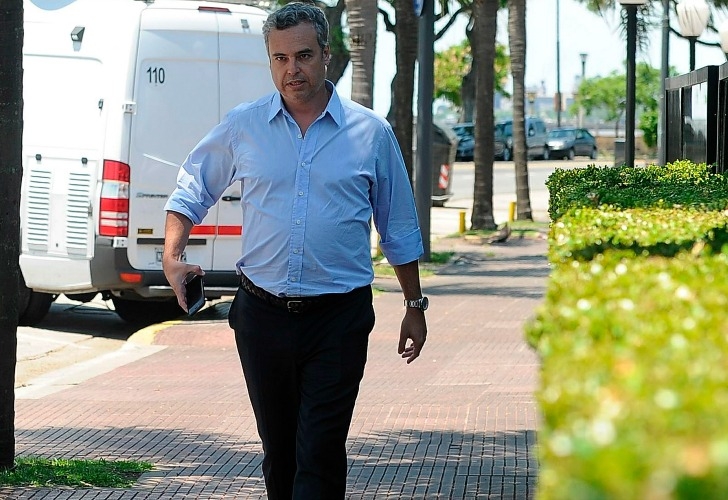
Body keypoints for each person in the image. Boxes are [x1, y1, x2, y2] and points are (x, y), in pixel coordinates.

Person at [162, 2, 428, 498]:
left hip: (339, 320)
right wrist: (171, 256)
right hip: (261, 317)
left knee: (320, 453)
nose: (292, 70)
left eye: (303, 55)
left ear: (327, 54)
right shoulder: (244, 125)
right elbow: (192, 187)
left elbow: (397, 225)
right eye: (280, 58)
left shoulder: (371, 133)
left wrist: (414, 304)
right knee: (280, 454)